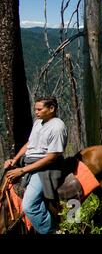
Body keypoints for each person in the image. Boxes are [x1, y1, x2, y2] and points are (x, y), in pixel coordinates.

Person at [3, 96, 67, 234]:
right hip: (29, 160)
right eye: (35, 109)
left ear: (51, 109)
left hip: (46, 167)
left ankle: (51, 231)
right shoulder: (38, 122)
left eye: (39, 109)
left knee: (29, 205)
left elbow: (52, 157)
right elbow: (29, 143)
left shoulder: (57, 127)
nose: (36, 112)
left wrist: (22, 171)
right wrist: (15, 160)